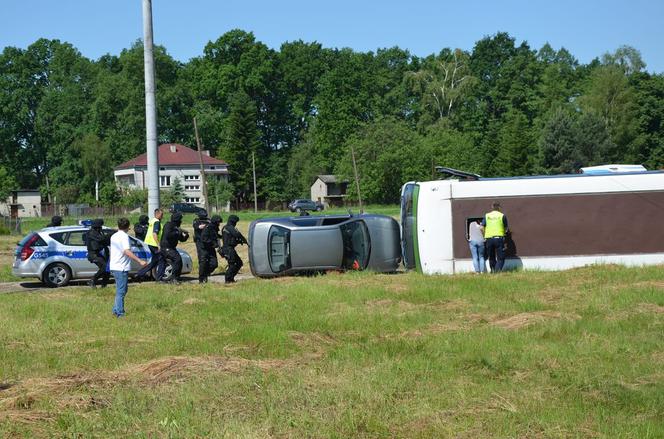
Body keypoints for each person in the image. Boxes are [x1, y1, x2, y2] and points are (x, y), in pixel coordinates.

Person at [110, 217, 147, 317]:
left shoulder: (114, 236)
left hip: (114, 265)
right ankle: (120, 313)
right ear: (127, 227)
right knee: (121, 291)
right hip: (121, 267)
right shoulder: (124, 237)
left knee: (121, 289)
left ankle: (115, 309)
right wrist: (139, 261)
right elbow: (126, 251)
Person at [135, 209, 164, 281]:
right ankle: (159, 278)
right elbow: (154, 234)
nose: (162, 216)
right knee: (162, 260)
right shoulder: (156, 222)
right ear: (157, 214)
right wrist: (158, 244)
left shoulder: (152, 221)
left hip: (150, 243)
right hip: (154, 244)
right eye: (161, 214)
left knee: (154, 262)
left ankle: (139, 273)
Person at [159, 212, 189, 284]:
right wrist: (177, 232)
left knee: (177, 261)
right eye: (180, 219)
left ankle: (174, 278)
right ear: (177, 219)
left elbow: (181, 239)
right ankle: (174, 279)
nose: (181, 221)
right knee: (177, 259)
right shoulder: (168, 225)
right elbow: (168, 235)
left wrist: (186, 236)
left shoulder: (176, 227)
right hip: (166, 247)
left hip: (172, 247)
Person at [482, 202, 509, 273]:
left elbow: (481, 227)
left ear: (492, 207)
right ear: (499, 208)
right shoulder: (502, 215)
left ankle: (493, 271)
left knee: (491, 257)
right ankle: (497, 272)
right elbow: (506, 228)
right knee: (501, 257)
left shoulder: (487, 215)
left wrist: (484, 235)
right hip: (499, 239)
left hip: (488, 239)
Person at [221, 214, 247, 284]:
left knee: (239, 263)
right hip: (228, 249)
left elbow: (231, 238)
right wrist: (244, 240)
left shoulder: (225, 227)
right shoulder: (230, 227)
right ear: (233, 222)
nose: (236, 224)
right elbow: (237, 235)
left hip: (228, 249)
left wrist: (238, 241)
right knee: (232, 264)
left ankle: (230, 278)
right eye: (235, 222)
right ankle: (228, 279)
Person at [86, 218, 111, 288]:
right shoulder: (91, 232)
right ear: (97, 226)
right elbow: (101, 239)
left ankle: (104, 286)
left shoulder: (98, 232)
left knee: (107, 270)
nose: (101, 228)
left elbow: (104, 241)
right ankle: (92, 280)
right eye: (100, 226)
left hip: (99, 254)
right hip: (93, 254)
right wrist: (109, 234)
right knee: (105, 267)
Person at [199, 215, 223, 283]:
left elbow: (215, 235)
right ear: (215, 222)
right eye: (218, 222)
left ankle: (206, 274)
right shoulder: (208, 228)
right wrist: (213, 243)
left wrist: (222, 236)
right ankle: (201, 278)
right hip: (204, 248)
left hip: (211, 248)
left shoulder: (214, 228)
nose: (219, 224)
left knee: (214, 264)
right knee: (203, 264)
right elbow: (204, 239)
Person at [192, 210, 210, 282]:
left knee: (208, 260)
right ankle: (202, 277)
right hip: (199, 242)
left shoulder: (208, 221)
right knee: (202, 259)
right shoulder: (196, 221)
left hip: (207, 242)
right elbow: (196, 226)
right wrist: (201, 226)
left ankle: (205, 273)